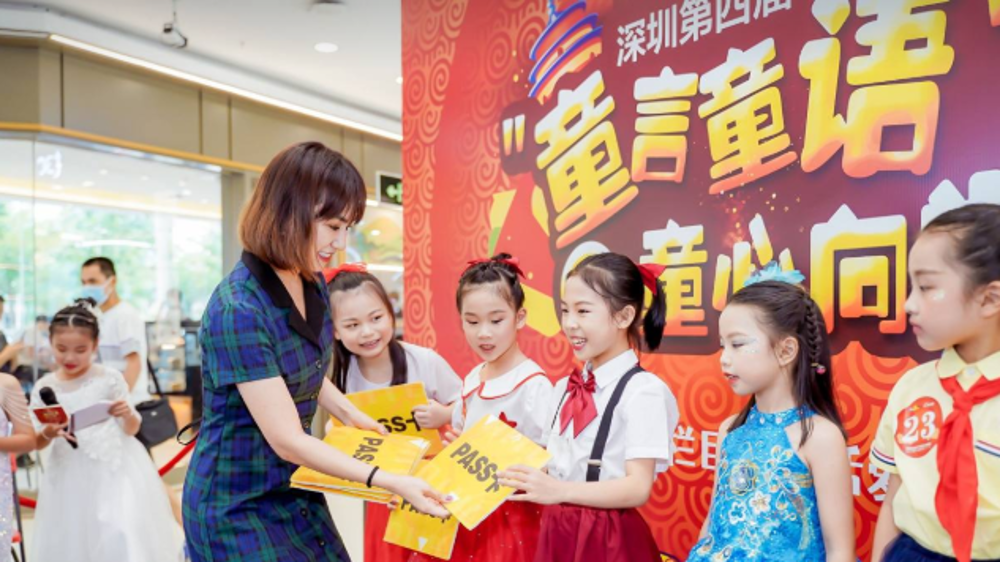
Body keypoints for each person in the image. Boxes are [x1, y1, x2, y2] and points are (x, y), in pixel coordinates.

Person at [181, 141, 448, 562]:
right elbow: (287, 439)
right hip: (237, 503)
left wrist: (350, 413)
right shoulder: (238, 309)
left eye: (347, 228)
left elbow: (301, 369)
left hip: (297, 482)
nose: (340, 243)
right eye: (332, 226)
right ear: (288, 211)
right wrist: (388, 479)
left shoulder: (311, 281)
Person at [500, 252, 679, 562]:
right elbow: (554, 463)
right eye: (565, 310)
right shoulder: (563, 387)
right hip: (558, 528)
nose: (569, 324)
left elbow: (638, 487)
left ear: (624, 316)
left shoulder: (643, 392)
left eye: (583, 311)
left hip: (607, 537)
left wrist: (560, 490)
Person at [685, 264, 856, 562]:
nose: (724, 359)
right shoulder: (730, 430)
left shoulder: (820, 437)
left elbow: (840, 551)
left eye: (738, 344)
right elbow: (712, 525)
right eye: (723, 345)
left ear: (786, 350)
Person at [871, 204, 1000, 562]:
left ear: (989, 298)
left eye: (926, 287)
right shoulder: (911, 388)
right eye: (911, 287)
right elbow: (894, 496)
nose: (908, 304)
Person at [411, 253, 554, 562]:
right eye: (472, 322)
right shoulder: (474, 377)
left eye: (496, 320)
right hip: (466, 509)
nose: (483, 333)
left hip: (513, 518)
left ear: (520, 317)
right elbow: (461, 439)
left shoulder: (533, 386)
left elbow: (549, 463)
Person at [325, 263, 462, 562]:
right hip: (384, 491)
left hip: (433, 485)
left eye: (376, 318)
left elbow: (468, 407)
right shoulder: (342, 377)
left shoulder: (424, 361)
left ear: (391, 313)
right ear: (335, 331)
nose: (368, 332)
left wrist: (444, 414)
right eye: (352, 325)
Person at [29, 299, 183, 562]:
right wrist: (48, 433)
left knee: (119, 532)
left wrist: (126, 414)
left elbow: (132, 429)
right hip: (68, 473)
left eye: (80, 350)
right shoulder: (45, 386)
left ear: (95, 345)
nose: (69, 357)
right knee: (75, 537)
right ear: (50, 343)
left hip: (114, 468)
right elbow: (36, 441)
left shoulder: (109, 378)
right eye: (61, 349)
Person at [80, 257, 151, 405]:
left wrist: (118, 402)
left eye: (93, 281)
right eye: (84, 282)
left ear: (112, 281)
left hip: (129, 405)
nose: (87, 287)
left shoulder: (125, 315)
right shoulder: (96, 316)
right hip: (104, 405)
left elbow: (134, 364)